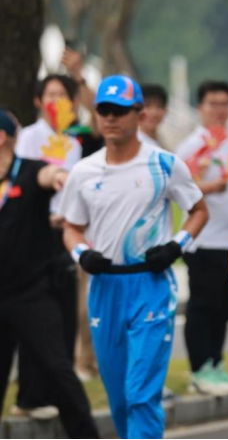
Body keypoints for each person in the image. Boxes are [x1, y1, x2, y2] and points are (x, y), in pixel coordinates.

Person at [60, 75, 209, 439]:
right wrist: (83, 254)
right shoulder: (83, 172)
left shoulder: (164, 164)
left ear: (139, 114)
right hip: (105, 286)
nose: (111, 118)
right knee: (119, 398)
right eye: (104, 110)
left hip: (151, 285)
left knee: (141, 393)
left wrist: (175, 247)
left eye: (121, 111)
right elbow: (71, 227)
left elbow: (199, 210)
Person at [0, 108, 99, 439]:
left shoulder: (29, 171)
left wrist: (60, 178)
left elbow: (49, 176)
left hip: (30, 294)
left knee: (58, 370)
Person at [14, 74, 83, 418]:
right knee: (35, 318)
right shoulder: (28, 137)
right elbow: (23, 181)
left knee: (63, 314)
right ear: (39, 101)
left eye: (64, 95)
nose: (58, 101)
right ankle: (29, 396)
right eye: (51, 95)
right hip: (35, 233)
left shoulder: (73, 142)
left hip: (65, 232)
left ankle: (55, 394)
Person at [176, 81, 228, 396]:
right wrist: (209, 187)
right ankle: (199, 370)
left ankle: (216, 365)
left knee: (225, 305)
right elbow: (180, 188)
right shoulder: (193, 145)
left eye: (224, 104)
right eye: (212, 104)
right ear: (200, 108)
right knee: (204, 306)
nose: (220, 110)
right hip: (203, 240)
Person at [139, 84, 168, 149]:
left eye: (159, 106)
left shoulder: (162, 143)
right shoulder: (134, 146)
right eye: (147, 106)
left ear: (165, 110)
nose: (153, 112)